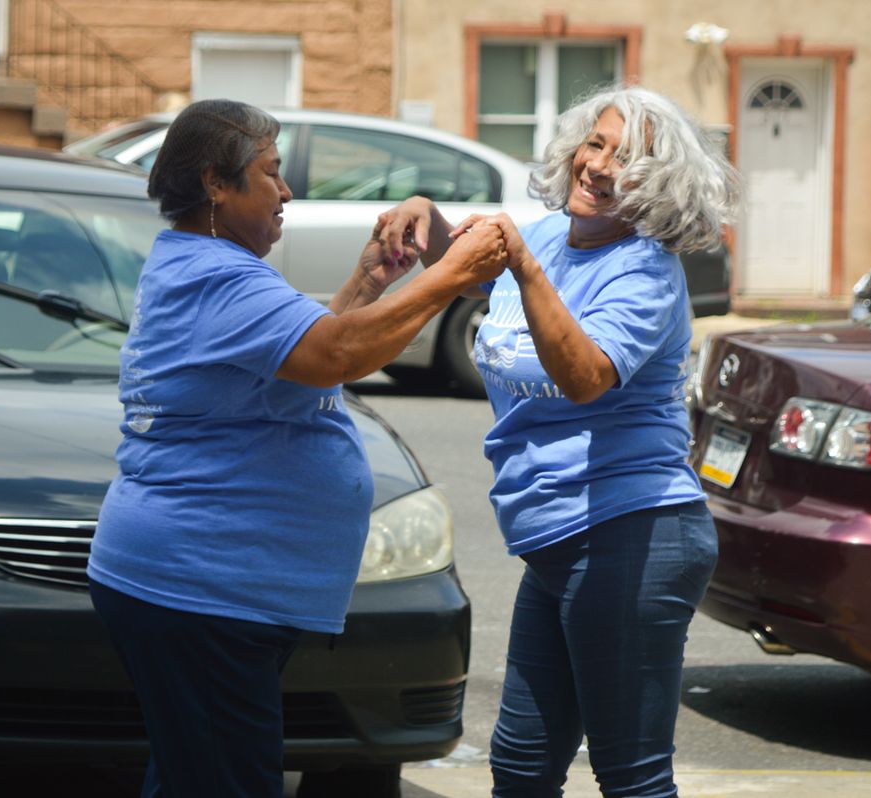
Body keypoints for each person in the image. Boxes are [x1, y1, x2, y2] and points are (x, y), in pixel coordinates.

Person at [86, 99, 507, 798]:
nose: (286, 192)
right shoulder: (215, 275)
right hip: (202, 591)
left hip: (209, 591)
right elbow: (335, 353)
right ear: (216, 184)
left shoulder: (214, 265)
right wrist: (453, 274)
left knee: (197, 776)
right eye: (270, 174)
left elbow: (301, 352)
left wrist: (372, 280)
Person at [377, 85, 741, 797]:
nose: (600, 166)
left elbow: (585, 377)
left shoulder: (644, 273)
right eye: (596, 144)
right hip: (553, 540)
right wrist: (429, 221)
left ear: (658, 186)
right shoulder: (544, 235)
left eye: (627, 160)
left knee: (631, 777)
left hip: (631, 533)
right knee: (520, 768)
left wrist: (525, 265)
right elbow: (465, 267)